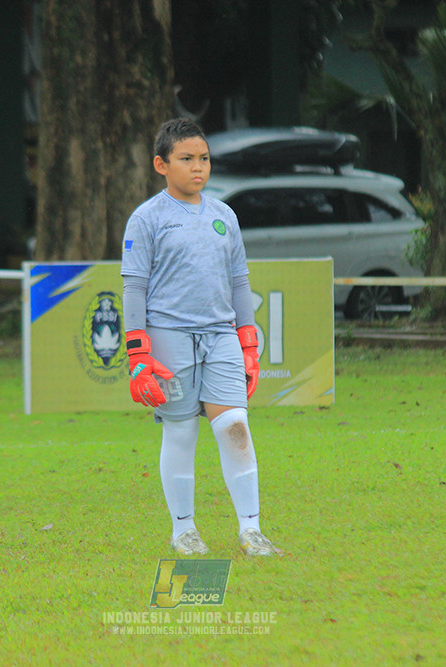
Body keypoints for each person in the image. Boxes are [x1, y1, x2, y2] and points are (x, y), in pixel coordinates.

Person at [120, 118, 282, 557]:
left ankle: (252, 531)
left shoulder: (224, 216)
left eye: (204, 158)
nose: (198, 168)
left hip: (220, 336)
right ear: (161, 164)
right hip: (168, 336)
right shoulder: (146, 219)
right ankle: (183, 531)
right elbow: (134, 288)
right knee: (179, 433)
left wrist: (249, 345)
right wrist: (137, 355)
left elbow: (239, 283)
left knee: (235, 426)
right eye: (186, 159)